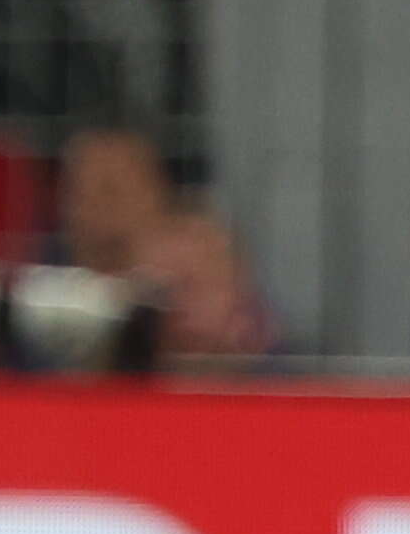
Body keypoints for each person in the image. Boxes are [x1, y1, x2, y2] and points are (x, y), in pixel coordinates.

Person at [53, 124, 277, 364]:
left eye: (111, 190)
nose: (93, 207)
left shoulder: (288, 378)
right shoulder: (50, 323)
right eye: (77, 192)